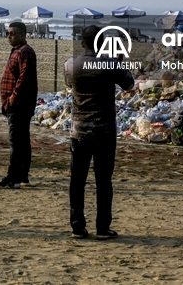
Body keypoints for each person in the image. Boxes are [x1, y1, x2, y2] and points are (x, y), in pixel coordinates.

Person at [63, 24, 135, 239]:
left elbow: (69, 84)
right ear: (103, 43)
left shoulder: (71, 65)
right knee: (103, 181)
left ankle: (77, 226)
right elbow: (129, 84)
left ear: (82, 42)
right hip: (104, 131)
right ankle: (102, 227)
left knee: (77, 180)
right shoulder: (110, 64)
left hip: (79, 130)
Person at [0, 21, 37, 189]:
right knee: (22, 141)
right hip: (14, 102)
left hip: (19, 103)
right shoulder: (17, 51)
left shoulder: (25, 51)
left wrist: (13, 96)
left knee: (16, 142)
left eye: (13, 33)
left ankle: (13, 177)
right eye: (8, 33)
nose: (9, 36)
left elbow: (24, 77)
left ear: (23, 35)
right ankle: (22, 177)